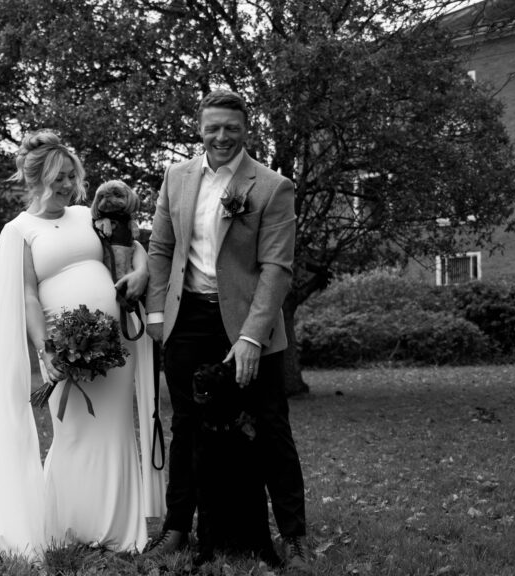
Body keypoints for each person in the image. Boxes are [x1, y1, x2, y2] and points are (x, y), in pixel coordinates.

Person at [0, 130, 166, 562]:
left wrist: (140, 272)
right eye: (58, 178)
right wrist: (44, 348)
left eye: (71, 176)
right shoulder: (19, 230)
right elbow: (28, 295)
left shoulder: (88, 215)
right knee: (73, 433)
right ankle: (68, 523)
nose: (67, 185)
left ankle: (119, 530)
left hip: (115, 343)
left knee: (115, 430)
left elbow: (133, 243)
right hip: (64, 348)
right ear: (34, 179)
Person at [144, 90, 308, 570]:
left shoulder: (273, 187)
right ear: (200, 127)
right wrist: (157, 315)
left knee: (272, 428)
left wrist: (252, 337)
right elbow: (160, 247)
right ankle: (176, 529)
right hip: (187, 319)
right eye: (212, 127)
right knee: (187, 426)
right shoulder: (176, 178)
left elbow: (277, 268)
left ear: (245, 130)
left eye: (230, 128)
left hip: (249, 323)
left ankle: (295, 537)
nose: (221, 136)